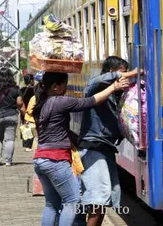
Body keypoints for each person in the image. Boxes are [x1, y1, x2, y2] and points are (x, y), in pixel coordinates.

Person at [32, 72, 130, 226]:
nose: (66, 88)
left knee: (51, 205)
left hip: (40, 159)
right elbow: (90, 101)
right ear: (55, 87)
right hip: (56, 160)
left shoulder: (42, 103)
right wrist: (114, 87)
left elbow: (59, 129)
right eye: (64, 84)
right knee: (72, 201)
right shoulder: (59, 101)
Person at [78, 56, 142, 226]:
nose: (125, 78)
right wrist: (131, 73)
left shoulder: (117, 96)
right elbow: (95, 80)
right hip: (93, 146)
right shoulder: (96, 88)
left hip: (106, 148)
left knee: (108, 198)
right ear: (111, 72)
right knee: (99, 196)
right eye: (122, 72)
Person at [20, 74, 35, 151]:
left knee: (25, 127)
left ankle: (25, 144)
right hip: (31, 111)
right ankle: (29, 146)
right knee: (31, 128)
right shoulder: (34, 89)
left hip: (23, 110)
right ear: (32, 81)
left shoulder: (21, 90)